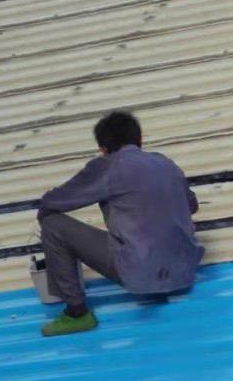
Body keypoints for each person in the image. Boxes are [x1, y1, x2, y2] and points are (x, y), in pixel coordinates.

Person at [37, 110, 205, 336]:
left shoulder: (107, 166)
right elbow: (192, 206)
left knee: (51, 223)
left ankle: (77, 313)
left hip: (143, 276)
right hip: (184, 273)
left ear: (103, 149)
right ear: (140, 140)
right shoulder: (166, 163)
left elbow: (51, 202)